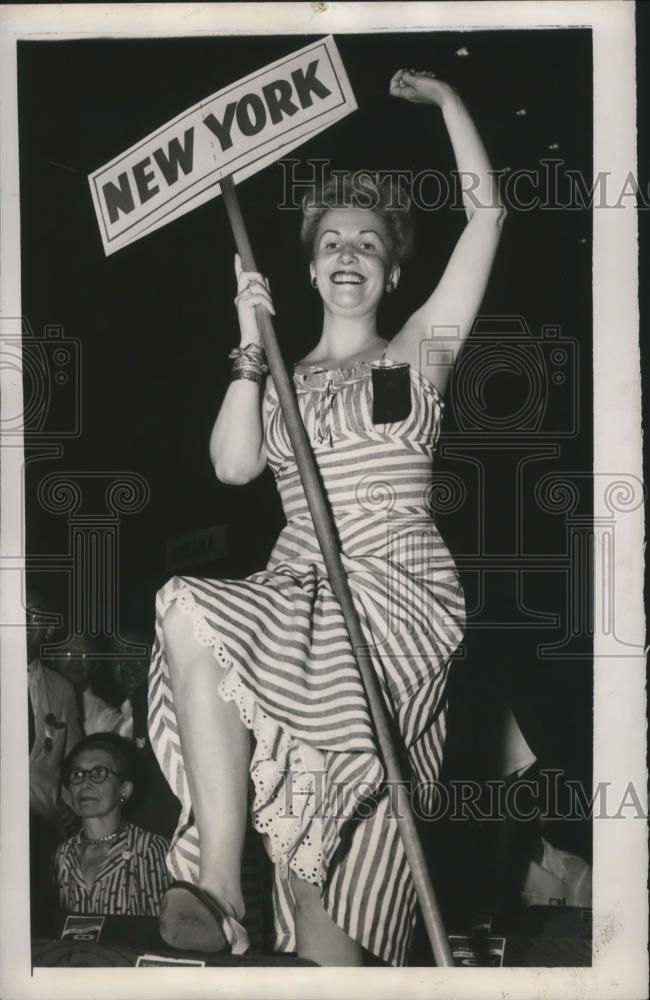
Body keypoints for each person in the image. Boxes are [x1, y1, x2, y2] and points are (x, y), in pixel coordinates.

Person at [148, 69, 506, 965]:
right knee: (190, 610)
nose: (348, 252)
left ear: (390, 269)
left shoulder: (417, 353)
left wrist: (450, 107)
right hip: (300, 594)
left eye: (369, 243)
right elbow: (233, 465)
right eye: (331, 242)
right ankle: (223, 885)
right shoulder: (277, 373)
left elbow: (488, 217)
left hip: (391, 598)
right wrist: (246, 343)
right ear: (308, 269)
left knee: (335, 927)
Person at [53, 733, 170, 916]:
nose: (85, 783)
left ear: (124, 790)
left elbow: (162, 934)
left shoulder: (151, 849)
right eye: (78, 774)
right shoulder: (61, 856)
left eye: (99, 773)